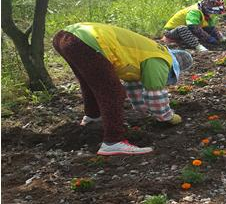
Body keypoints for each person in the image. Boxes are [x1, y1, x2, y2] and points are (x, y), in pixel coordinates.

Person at [53, 23, 193, 156]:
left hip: (66, 36)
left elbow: (133, 86)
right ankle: (113, 141)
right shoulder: (161, 60)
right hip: (86, 40)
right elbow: (155, 95)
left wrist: (142, 110)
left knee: (90, 83)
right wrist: (168, 117)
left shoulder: (150, 52)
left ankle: (93, 117)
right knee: (114, 92)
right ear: (174, 67)